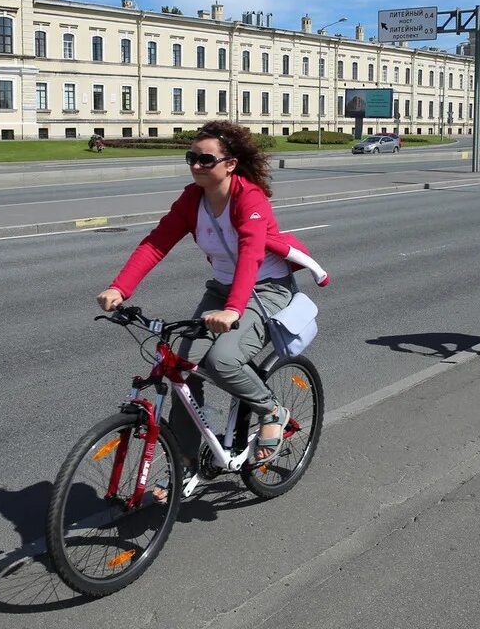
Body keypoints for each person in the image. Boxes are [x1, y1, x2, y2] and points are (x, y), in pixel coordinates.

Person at [97, 120, 327, 495]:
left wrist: (234, 309)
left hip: (265, 289)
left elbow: (252, 252)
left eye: (206, 159)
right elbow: (157, 243)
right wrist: (119, 287)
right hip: (222, 289)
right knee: (181, 368)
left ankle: (271, 411)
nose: (196, 165)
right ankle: (186, 464)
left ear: (230, 164)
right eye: (192, 158)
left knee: (222, 360)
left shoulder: (248, 198)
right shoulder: (192, 199)